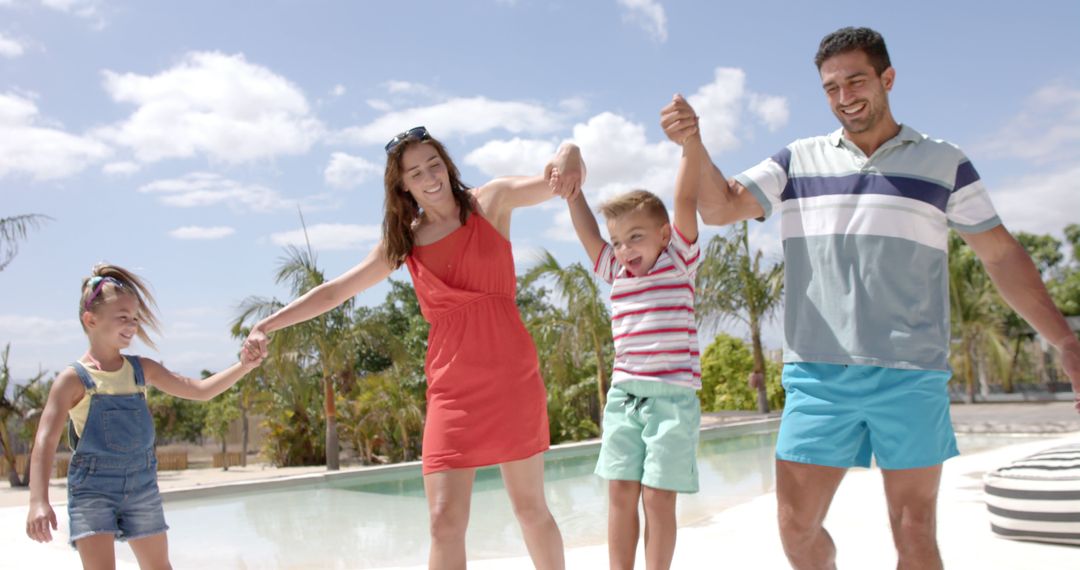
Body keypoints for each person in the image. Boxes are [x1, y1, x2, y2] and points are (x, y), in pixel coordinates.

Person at [661, 26, 1080, 570]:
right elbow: (719, 209)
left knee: (915, 534)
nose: (844, 97)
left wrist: (1065, 341)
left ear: (887, 78)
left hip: (910, 372)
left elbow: (1000, 255)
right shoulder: (797, 160)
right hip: (817, 374)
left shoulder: (944, 161)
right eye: (830, 88)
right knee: (797, 529)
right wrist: (693, 141)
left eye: (855, 81)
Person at [241, 126, 584, 569]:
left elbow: (554, 180)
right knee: (443, 521)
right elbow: (334, 291)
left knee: (530, 509)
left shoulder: (490, 202)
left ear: (447, 164)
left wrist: (570, 152)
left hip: (510, 379)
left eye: (434, 164)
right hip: (452, 389)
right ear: (402, 184)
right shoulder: (404, 242)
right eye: (415, 172)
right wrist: (267, 325)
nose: (429, 177)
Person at [25, 264, 263, 569]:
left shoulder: (141, 370)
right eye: (122, 317)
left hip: (141, 486)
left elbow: (200, 390)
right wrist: (38, 501)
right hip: (92, 491)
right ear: (91, 319)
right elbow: (44, 442)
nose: (132, 325)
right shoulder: (73, 379)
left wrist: (243, 366)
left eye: (135, 318)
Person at [563, 123, 702, 569]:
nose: (623, 249)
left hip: (673, 400)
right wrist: (572, 192)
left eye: (635, 237)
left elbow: (683, 200)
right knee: (621, 491)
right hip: (624, 398)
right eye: (618, 241)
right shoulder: (615, 272)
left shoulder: (679, 261)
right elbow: (589, 234)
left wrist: (688, 145)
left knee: (658, 497)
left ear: (664, 235)